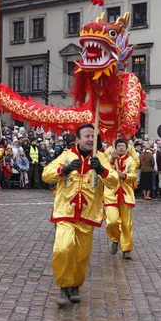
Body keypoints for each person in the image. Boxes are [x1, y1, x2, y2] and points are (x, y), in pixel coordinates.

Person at [42, 124, 118, 307]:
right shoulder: (66, 156)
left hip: (88, 213)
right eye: (86, 136)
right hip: (65, 212)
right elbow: (46, 175)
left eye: (93, 136)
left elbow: (114, 181)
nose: (90, 139)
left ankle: (75, 284)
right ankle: (63, 284)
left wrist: (101, 170)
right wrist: (64, 170)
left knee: (81, 255)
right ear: (77, 139)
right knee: (62, 248)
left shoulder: (100, 158)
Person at [104, 138, 138, 260]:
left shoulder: (131, 161)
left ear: (126, 147)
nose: (121, 148)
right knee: (112, 221)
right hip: (111, 194)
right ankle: (115, 239)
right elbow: (104, 174)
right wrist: (112, 161)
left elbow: (133, 175)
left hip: (126, 195)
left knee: (126, 223)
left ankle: (126, 249)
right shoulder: (108, 160)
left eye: (123, 146)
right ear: (115, 147)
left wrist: (124, 175)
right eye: (119, 146)